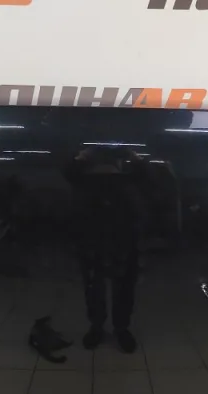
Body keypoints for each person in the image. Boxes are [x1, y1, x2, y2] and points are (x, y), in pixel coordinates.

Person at [64, 147, 150, 352]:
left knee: (113, 289)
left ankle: (115, 328)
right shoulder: (88, 181)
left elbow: (145, 175)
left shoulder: (123, 181)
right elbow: (69, 172)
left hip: (118, 243)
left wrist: (84, 156)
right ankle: (104, 327)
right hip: (97, 243)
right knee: (102, 289)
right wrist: (132, 156)